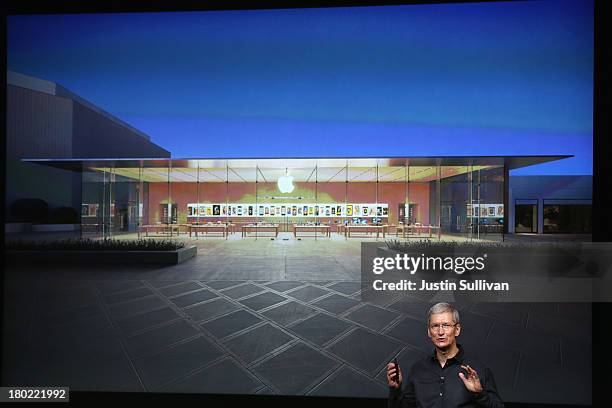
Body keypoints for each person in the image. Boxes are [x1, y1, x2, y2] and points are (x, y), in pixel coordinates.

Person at [387, 302, 504, 408]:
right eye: (435, 326)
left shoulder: (478, 370)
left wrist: (480, 394)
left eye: (446, 325)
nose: (440, 332)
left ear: (457, 330)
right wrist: (395, 390)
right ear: (429, 332)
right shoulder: (418, 370)